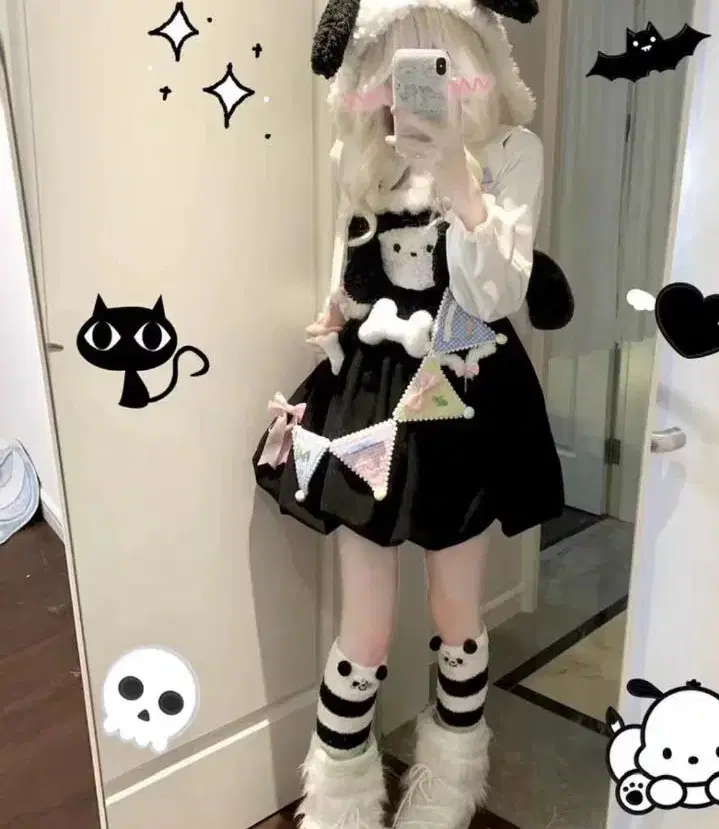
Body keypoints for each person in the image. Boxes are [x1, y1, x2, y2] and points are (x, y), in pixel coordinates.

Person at [253, 2, 570, 827]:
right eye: (395, 61)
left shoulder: (512, 152)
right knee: (364, 626)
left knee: (455, 614)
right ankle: (339, 802)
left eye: (432, 58)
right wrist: (335, 311)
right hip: (373, 390)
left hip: (464, 391)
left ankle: (446, 790)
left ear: (473, 58)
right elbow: (352, 269)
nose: (411, 82)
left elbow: (495, 295)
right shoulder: (360, 154)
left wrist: (461, 185)